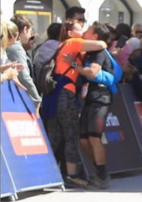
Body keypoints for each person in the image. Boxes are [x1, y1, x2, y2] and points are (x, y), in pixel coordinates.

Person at [45, 20, 108, 188]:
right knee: (71, 135)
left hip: (53, 96)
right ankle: (72, 175)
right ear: (71, 32)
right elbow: (101, 43)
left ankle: (46, 174)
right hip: (66, 93)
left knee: (54, 137)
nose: (84, 30)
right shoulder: (74, 42)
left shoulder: (63, 45)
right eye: (80, 28)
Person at [76, 22, 116, 189]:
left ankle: (101, 175)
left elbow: (92, 72)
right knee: (83, 139)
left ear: (95, 36)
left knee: (94, 137)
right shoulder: (88, 52)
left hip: (101, 96)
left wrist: (74, 66)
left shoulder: (99, 52)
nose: (85, 32)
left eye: (88, 30)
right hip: (89, 97)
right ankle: (101, 171)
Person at [8, 15, 40, 107]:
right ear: (25, 29)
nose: (30, 36)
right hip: (17, 99)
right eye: (30, 32)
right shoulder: (16, 48)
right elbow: (24, 77)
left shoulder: (9, 46)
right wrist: (36, 99)